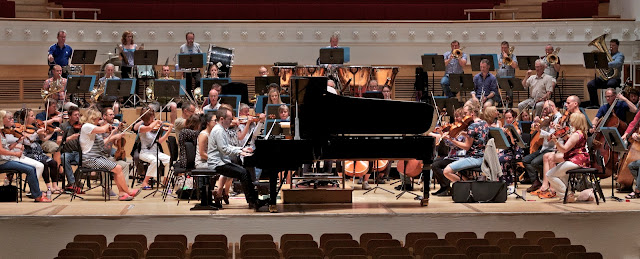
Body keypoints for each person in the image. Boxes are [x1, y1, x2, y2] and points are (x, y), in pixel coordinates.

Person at [207, 107, 265, 210]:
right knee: (243, 173)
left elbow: (227, 146)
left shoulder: (221, 129)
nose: (231, 121)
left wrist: (242, 149)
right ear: (222, 119)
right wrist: (240, 151)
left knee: (244, 172)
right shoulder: (219, 131)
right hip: (217, 164)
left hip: (221, 162)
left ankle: (253, 200)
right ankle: (253, 201)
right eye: (229, 119)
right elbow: (224, 149)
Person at [80, 109, 140, 201]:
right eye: (97, 118)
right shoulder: (86, 126)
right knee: (118, 168)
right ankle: (128, 191)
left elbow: (102, 143)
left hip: (96, 157)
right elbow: (103, 129)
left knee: (118, 168)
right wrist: (111, 123)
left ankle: (122, 193)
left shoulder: (91, 129)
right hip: (90, 160)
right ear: (93, 118)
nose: (98, 120)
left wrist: (112, 133)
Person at [0, 110, 51, 202]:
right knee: (30, 169)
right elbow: (1, 151)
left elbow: (8, 147)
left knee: (32, 168)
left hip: (6, 160)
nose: (13, 120)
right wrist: (15, 153)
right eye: (9, 118)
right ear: (2, 120)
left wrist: (17, 142)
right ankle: (37, 196)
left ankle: (36, 193)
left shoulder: (3, 132)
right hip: (3, 162)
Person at [537, 95, 581, 198]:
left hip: (576, 152)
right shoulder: (571, 116)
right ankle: (549, 186)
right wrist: (559, 129)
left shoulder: (578, 118)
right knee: (547, 156)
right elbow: (568, 135)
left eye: (568, 103)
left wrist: (560, 135)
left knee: (551, 157)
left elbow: (574, 138)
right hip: (570, 148)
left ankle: (556, 189)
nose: (566, 105)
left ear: (575, 104)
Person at [546, 112, 594, 202]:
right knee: (563, 175)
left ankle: (567, 194)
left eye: (571, 120)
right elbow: (570, 139)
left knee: (550, 174)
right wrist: (562, 135)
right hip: (581, 159)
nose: (570, 122)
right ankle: (566, 195)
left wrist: (556, 141)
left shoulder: (576, 135)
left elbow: (564, 149)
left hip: (576, 160)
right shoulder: (581, 133)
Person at [442, 100, 490, 184]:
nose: (464, 115)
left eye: (465, 113)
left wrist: (451, 139)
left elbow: (466, 146)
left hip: (474, 158)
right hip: (483, 157)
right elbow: (478, 138)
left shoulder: (472, 126)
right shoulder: (484, 123)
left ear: (472, 113)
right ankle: (467, 184)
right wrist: (465, 134)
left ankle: (467, 185)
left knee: (446, 171)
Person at [15, 108, 60, 194]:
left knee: (53, 163)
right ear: (25, 118)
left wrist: (52, 131)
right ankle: (49, 187)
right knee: (44, 163)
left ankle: (55, 186)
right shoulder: (21, 129)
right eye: (32, 116)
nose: (34, 117)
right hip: (28, 153)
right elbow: (27, 142)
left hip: (38, 152)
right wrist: (37, 133)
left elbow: (44, 139)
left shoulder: (35, 128)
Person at [523, 101, 563, 192]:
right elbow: (543, 133)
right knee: (526, 160)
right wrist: (537, 125)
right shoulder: (548, 118)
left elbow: (553, 136)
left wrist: (540, 131)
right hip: (544, 148)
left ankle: (548, 178)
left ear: (552, 107)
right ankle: (536, 182)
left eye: (545, 108)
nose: (543, 111)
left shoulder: (559, 119)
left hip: (551, 148)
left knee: (535, 163)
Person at [428, 107, 467, 196]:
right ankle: (444, 187)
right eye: (455, 116)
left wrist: (449, 138)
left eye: (458, 117)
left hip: (459, 157)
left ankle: (445, 187)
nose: (456, 118)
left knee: (436, 165)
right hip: (451, 156)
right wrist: (442, 134)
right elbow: (448, 144)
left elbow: (455, 144)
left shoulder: (464, 130)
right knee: (434, 163)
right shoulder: (456, 129)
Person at [137, 107, 173, 189]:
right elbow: (149, 128)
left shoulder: (155, 128)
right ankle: (145, 182)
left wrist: (168, 131)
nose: (153, 118)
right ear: (147, 118)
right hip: (145, 152)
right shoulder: (141, 128)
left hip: (156, 152)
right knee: (155, 161)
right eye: (152, 117)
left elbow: (159, 141)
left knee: (169, 159)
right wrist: (156, 121)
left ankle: (165, 180)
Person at [587, 38, 624, 107]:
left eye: (613, 45)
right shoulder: (605, 54)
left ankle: (611, 105)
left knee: (611, 84)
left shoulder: (620, 55)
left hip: (614, 78)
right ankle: (594, 104)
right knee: (590, 84)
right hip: (604, 78)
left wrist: (605, 63)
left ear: (617, 46)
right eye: (610, 45)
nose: (611, 47)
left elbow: (618, 63)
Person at [100, 107, 130, 184]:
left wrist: (120, 137)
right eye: (110, 115)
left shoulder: (113, 128)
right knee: (106, 165)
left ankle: (125, 189)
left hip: (108, 156)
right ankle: (107, 189)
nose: (113, 116)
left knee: (125, 165)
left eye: (113, 114)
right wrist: (113, 136)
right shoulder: (99, 128)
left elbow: (116, 144)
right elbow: (101, 143)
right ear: (104, 116)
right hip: (99, 156)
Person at [59, 106, 83, 193]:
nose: (77, 116)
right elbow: (59, 141)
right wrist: (70, 138)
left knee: (85, 161)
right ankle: (72, 183)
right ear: (69, 116)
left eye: (78, 115)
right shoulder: (63, 126)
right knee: (63, 158)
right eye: (75, 115)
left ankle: (73, 181)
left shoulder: (82, 125)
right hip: (67, 152)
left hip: (78, 152)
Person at [35, 99, 63, 172]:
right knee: (56, 148)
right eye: (53, 106)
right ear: (47, 107)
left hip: (57, 139)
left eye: (56, 106)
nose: (55, 108)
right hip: (45, 141)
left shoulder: (56, 115)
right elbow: (40, 124)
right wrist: (53, 120)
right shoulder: (40, 115)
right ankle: (58, 172)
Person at [180, 32, 202, 96]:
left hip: (196, 69)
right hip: (187, 70)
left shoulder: (197, 46)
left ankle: (196, 95)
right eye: (189, 39)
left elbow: (201, 56)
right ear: (186, 39)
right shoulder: (182, 47)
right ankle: (189, 97)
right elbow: (181, 59)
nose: (191, 40)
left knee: (198, 81)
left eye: (192, 39)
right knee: (188, 84)